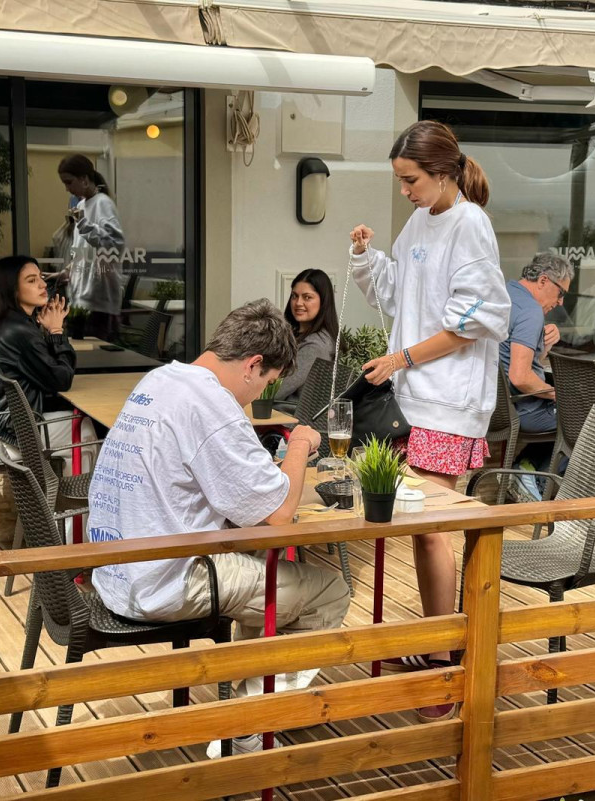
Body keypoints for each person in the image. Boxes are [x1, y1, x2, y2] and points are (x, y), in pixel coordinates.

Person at [86, 299, 351, 755]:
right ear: (252, 365)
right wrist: (298, 445)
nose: (259, 394)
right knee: (329, 591)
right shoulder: (212, 404)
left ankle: (250, 700)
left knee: (260, 563)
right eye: (266, 381)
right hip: (162, 583)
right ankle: (245, 726)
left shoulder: (159, 379)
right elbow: (279, 512)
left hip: (115, 570)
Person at [349, 120, 509, 722]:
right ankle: (436, 642)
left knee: (430, 527)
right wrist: (365, 258)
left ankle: (444, 660)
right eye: (400, 180)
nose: (404, 191)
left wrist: (401, 359)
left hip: (449, 400)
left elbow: (475, 321)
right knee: (421, 526)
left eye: (410, 180)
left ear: (442, 173)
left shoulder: (470, 224)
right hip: (416, 397)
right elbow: (399, 298)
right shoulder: (421, 221)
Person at [0, 256, 93, 465]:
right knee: (83, 428)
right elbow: (61, 379)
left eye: (41, 277)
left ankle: (52, 486)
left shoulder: (8, 323)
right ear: (12, 290)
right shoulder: (17, 330)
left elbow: (47, 370)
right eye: (31, 280)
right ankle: (76, 488)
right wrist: (56, 331)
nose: (43, 284)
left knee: (75, 424)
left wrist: (49, 332)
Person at [499, 252, 572, 434]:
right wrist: (555, 393)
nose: (561, 302)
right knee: (594, 421)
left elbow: (515, 358)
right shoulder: (531, 311)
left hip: (497, 409)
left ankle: (532, 457)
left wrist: (545, 343)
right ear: (543, 281)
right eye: (561, 293)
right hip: (525, 410)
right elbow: (520, 377)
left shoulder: (505, 293)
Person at [57, 153, 125, 340]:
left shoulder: (103, 203)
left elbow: (114, 245)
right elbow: (83, 252)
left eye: (69, 182)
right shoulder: (81, 206)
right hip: (81, 300)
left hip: (98, 302)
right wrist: (67, 272)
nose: (67, 188)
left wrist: (83, 223)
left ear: (84, 179)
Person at [276, 268, 339, 405]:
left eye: (307, 297)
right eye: (294, 296)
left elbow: (276, 391)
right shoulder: (292, 335)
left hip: (288, 416)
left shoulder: (315, 346)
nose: (298, 303)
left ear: (323, 301)